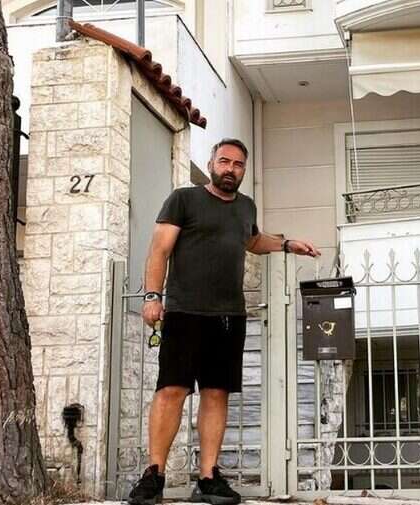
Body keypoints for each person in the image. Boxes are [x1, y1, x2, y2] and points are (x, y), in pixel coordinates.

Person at [127, 138, 320, 505]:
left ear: (243, 170)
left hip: (229, 317)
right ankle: (154, 475)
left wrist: (286, 244)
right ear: (211, 163)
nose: (230, 169)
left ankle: (208, 478)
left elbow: (253, 240)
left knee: (216, 393)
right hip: (184, 312)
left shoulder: (246, 206)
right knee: (172, 390)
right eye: (224, 161)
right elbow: (159, 250)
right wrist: (153, 296)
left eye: (238, 164)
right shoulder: (184, 199)